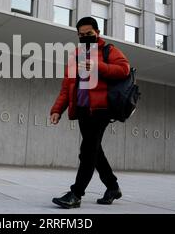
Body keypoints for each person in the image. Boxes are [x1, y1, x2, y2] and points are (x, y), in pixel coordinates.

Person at [50, 17, 131, 209]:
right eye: (81, 35)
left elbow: (124, 69)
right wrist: (57, 110)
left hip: (101, 110)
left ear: (97, 33)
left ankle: (76, 194)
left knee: (87, 152)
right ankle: (112, 187)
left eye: (89, 34)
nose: (85, 37)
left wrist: (98, 67)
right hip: (83, 110)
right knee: (94, 151)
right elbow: (67, 87)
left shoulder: (108, 50)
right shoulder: (76, 55)